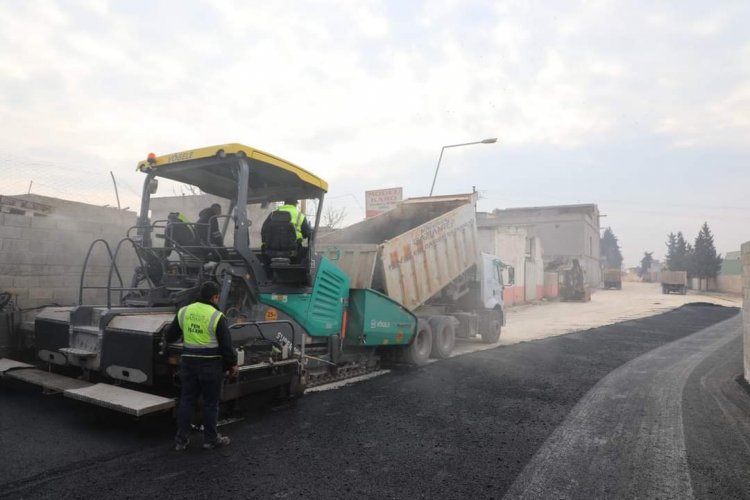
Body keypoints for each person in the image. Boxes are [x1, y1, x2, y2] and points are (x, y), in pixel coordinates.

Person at [166, 281, 239, 451]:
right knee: (210, 403)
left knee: (187, 401)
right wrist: (232, 365)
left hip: (189, 363)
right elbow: (226, 346)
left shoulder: (184, 311)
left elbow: (170, 335)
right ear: (215, 297)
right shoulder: (216, 316)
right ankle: (210, 440)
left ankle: (181, 441)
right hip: (210, 364)